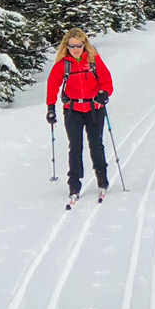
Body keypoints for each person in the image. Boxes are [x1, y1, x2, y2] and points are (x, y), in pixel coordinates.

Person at [46, 28, 114, 203]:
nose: (76, 49)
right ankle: (74, 185)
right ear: (66, 46)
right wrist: (51, 108)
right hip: (72, 110)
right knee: (75, 147)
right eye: (72, 46)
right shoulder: (63, 64)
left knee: (96, 145)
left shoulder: (93, 60)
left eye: (79, 45)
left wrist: (104, 94)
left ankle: (102, 180)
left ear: (85, 45)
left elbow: (107, 81)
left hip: (94, 108)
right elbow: (52, 86)